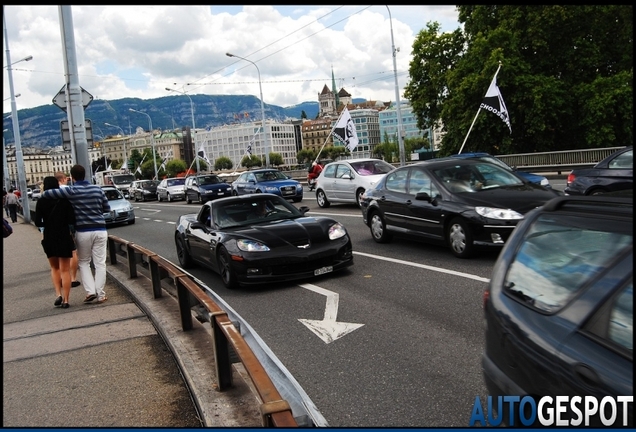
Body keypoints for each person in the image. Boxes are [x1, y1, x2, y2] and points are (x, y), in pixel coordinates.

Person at [41, 164, 111, 304]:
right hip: (100, 229)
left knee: (84, 262)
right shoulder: (97, 189)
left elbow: (47, 194)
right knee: (100, 263)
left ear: (72, 177)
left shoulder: (71, 191)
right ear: (85, 174)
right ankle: (101, 294)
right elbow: (107, 208)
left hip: (83, 231)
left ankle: (90, 291)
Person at [35, 176, 77, 308]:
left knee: (54, 268)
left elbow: (37, 221)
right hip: (63, 235)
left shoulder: (41, 201)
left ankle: (58, 294)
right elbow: (72, 220)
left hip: (49, 236)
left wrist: (46, 225)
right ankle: (66, 300)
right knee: (65, 270)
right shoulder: (64, 201)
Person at [55, 171, 80, 288]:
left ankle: (61, 278)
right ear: (63, 179)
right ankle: (73, 278)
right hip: (69, 224)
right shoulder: (69, 190)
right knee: (73, 251)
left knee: (58, 254)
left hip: (55, 226)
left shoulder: (49, 193)